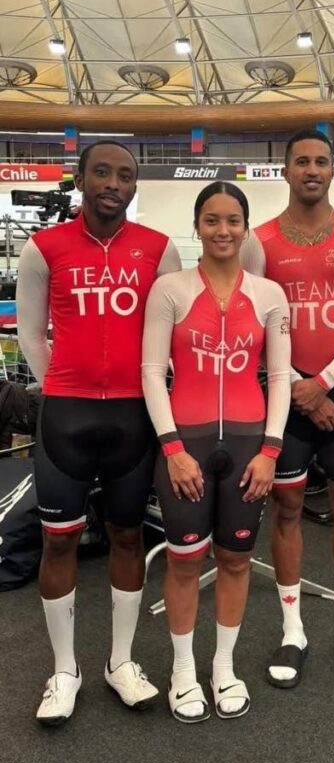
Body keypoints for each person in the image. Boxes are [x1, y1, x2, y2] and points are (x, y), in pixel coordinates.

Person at [17, 141, 181, 725]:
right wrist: (61, 386)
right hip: (67, 417)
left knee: (127, 537)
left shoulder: (159, 249)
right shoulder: (44, 248)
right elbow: (30, 333)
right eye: (103, 173)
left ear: (135, 186)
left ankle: (121, 662)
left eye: (125, 175)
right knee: (58, 541)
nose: (114, 183)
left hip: (133, 417)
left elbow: (170, 335)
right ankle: (64, 670)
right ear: (82, 178)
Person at [240, 128, 334, 686]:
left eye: (321, 161)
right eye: (301, 161)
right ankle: (292, 632)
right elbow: (253, 325)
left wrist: (322, 382)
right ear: (285, 170)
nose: (311, 169)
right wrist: (299, 387)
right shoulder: (257, 242)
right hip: (285, 396)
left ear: (333, 170)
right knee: (285, 511)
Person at [142, 182, 291, 722]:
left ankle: (223, 666)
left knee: (235, 559)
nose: (222, 230)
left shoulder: (269, 294)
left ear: (246, 228)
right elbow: (151, 373)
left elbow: (280, 376)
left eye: (232, 220)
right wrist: (173, 449)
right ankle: (183, 670)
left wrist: (271, 451)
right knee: (184, 561)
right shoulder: (170, 289)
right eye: (211, 220)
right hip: (186, 444)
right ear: (197, 226)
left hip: (251, 445)